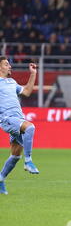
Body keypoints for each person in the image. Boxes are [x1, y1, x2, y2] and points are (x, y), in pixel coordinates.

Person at [0, 57, 39, 195]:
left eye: (9, 64)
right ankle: (28, 161)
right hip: (7, 119)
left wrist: (33, 74)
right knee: (30, 127)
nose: (10, 66)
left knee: (15, 155)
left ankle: (0, 179)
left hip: (17, 119)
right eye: (6, 64)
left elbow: (27, 92)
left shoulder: (11, 82)